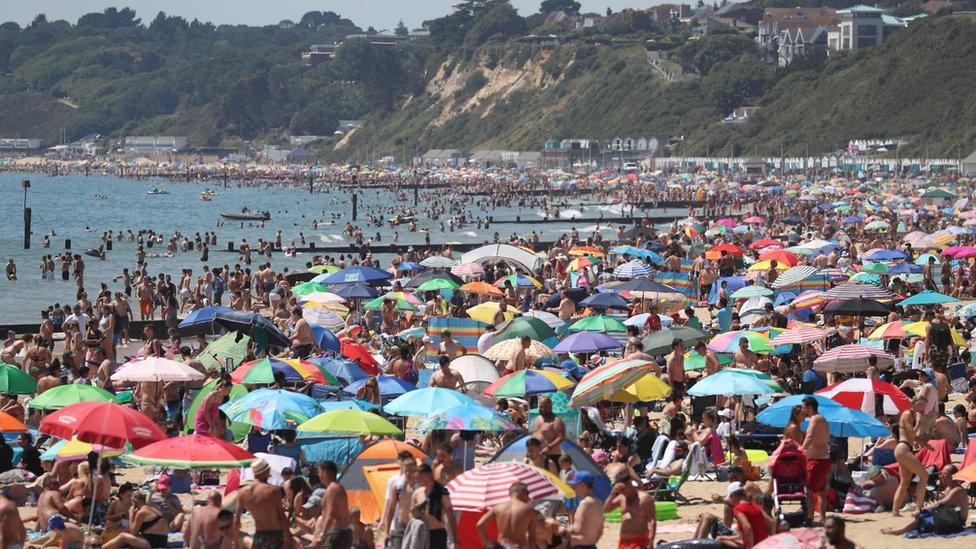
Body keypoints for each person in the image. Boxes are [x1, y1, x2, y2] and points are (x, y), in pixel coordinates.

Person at [883, 464, 969, 536]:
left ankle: (899, 531)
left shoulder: (957, 490)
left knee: (921, 517)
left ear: (952, 476)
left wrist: (922, 510)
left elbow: (941, 504)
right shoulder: (948, 488)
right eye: (941, 473)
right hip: (950, 516)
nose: (942, 476)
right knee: (919, 516)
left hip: (957, 521)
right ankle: (902, 529)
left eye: (945, 474)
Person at [234, 458, 291, 549]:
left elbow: (236, 521)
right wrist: (288, 537)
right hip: (275, 535)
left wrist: (236, 543)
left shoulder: (243, 492)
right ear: (267, 471)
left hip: (259, 536)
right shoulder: (273, 491)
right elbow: (281, 516)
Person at [892, 395, 930, 517]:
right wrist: (919, 421)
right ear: (914, 404)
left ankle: (895, 511)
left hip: (904, 448)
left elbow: (913, 437)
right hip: (903, 448)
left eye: (924, 406)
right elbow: (912, 432)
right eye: (920, 405)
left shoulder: (912, 415)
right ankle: (919, 507)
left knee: (905, 482)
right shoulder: (908, 414)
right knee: (924, 475)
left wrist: (925, 445)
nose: (922, 408)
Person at [604, 470, 656, 549]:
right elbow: (606, 509)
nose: (622, 492)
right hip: (623, 542)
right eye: (620, 490)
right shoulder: (621, 498)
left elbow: (652, 521)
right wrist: (613, 492)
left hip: (639, 542)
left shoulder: (644, 499)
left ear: (629, 483)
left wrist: (651, 541)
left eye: (623, 489)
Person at [476, 482, 537, 549]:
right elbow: (532, 536)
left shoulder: (498, 507)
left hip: (501, 546)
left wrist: (487, 543)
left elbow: (480, 525)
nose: (528, 497)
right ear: (520, 491)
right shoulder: (530, 510)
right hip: (519, 546)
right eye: (527, 493)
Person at [102, 491, 169, 549]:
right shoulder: (151, 508)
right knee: (125, 533)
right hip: (162, 540)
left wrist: (131, 514)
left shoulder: (142, 512)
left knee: (123, 536)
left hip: (152, 542)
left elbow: (133, 532)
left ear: (135, 502)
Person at [411, 464, 457, 549]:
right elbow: (411, 515)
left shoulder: (442, 493)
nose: (416, 481)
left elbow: (451, 517)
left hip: (437, 534)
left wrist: (455, 539)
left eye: (418, 478)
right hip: (421, 533)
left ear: (426, 476)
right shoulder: (417, 493)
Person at [801, 395, 830, 524]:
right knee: (821, 491)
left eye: (803, 408)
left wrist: (801, 450)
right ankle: (823, 518)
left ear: (810, 408)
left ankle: (809, 518)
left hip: (816, 460)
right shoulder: (822, 419)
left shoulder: (815, 419)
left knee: (809, 491)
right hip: (824, 458)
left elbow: (810, 436)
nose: (802, 411)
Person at [381, 452, 418, 549]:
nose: (408, 473)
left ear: (416, 470)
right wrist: (387, 531)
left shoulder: (420, 488)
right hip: (400, 526)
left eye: (411, 470)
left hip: (416, 526)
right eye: (406, 471)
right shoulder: (398, 488)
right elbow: (391, 508)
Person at [313, 460, 352, 549]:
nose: (318, 475)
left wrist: (322, 535)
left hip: (336, 534)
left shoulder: (332, 489)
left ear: (325, 473)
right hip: (340, 533)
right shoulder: (337, 487)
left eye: (319, 472)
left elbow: (330, 514)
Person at [565, 471, 604, 549]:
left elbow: (577, 529)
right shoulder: (599, 503)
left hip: (579, 546)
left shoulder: (585, 503)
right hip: (592, 546)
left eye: (575, 485)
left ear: (582, 485)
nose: (574, 488)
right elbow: (600, 531)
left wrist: (563, 529)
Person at [530, 396, 566, 469]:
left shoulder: (556, 421)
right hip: (536, 456)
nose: (543, 409)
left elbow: (561, 437)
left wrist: (548, 448)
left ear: (550, 407)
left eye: (546, 407)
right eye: (541, 407)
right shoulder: (538, 418)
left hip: (551, 456)